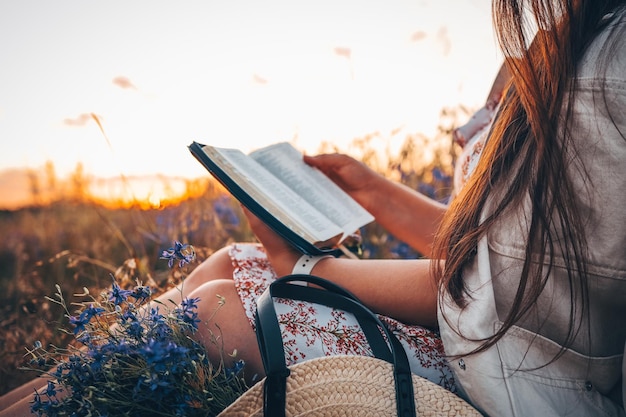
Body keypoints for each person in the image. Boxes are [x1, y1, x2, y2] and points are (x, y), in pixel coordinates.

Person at [2, 0, 624, 415]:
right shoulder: (578, 36)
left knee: (216, 312)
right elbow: (493, 244)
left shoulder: (605, 68)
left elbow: (489, 286)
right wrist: (369, 187)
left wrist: (306, 266)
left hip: (515, 382)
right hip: (490, 343)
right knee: (231, 262)